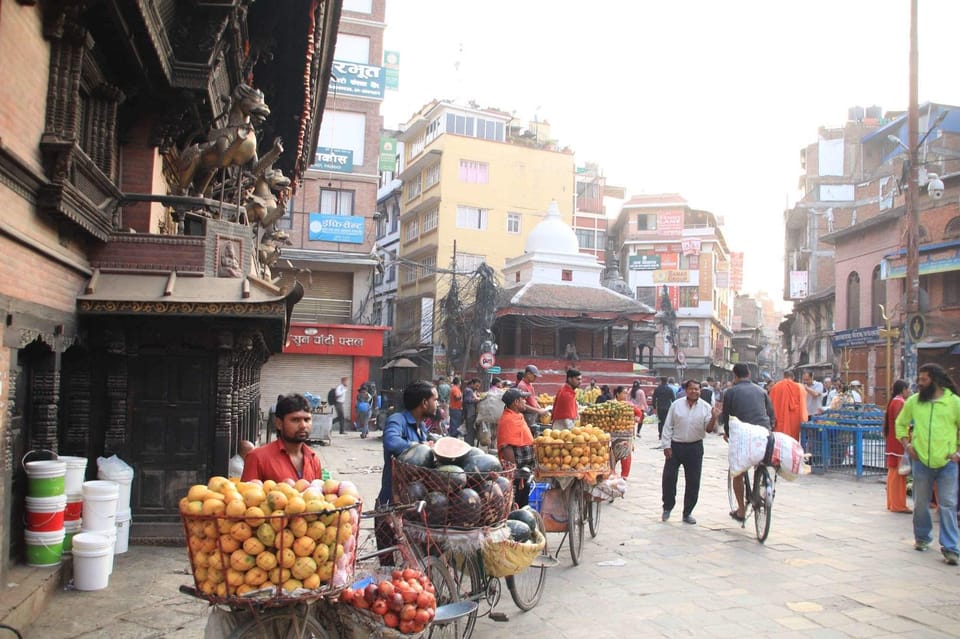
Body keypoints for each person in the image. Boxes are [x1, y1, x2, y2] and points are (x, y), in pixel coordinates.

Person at [894, 363, 960, 565]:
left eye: (924, 380)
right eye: (919, 380)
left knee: (947, 505)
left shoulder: (954, 403)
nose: (919, 384)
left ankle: (951, 548)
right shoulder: (914, 402)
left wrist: (957, 451)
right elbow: (900, 423)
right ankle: (922, 538)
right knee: (921, 503)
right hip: (921, 461)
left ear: (936, 381)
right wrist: (907, 445)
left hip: (947, 462)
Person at [720, 363, 775, 523]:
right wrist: (768, 429)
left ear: (734, 376)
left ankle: (741, 511)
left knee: (737, 472)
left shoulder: (730, 392)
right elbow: (771, 414)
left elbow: (727, 417)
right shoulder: (762, 391)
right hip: (764, 433)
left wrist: (728, 434)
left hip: (743, 435)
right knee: (760, 461)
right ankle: (761, 482)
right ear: (749, 374)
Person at [660, 380, 719, 525]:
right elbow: (668, 426)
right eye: (692, 389)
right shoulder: (676, 405)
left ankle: (687, 512)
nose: (695, 391)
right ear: (686, 390)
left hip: (695, 447)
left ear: (700, 391)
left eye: (697, 389)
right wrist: (666, 445)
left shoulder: (706, 407)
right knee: (669, 478)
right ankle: (667, 506)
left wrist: (714, 417)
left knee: (693, 481)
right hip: (675, 446)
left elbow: (709, 429)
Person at [376, 380, 437, 507]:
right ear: (424, 403)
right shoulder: (397, 419)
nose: (437, 404)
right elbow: (391, 442)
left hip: (415, 498)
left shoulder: (423, 426)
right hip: (393, 501)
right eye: (435, 400)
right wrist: (419, 445)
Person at [242, 394, 322, 482]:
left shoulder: (313, 459)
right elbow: (247, 493)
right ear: (279, 423)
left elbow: (318, 493)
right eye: (295, 420)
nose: (303, 425)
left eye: (307, 420)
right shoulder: (258, 458)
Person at [496, 388, 535, 508]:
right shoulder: (508, 420)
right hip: (517, 473)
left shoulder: (518, 416)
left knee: (523, 501)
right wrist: (515, 471)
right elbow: (506, 447)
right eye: (523, 399)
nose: (525, 402)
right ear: (515, 402)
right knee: (517, 504)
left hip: (525, 470)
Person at [884, 379, 912, 514]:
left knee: (893, 473)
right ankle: (898, 504)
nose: (909, 391)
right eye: (908, 389)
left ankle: (892, 502)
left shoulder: (894, 401)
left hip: (893, 442)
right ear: (903, 389)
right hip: (898, 442)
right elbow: (901, 423)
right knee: (899, 475)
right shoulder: (900, 402)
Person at [769, 370, 807, 440]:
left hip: (778, 419)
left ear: (783, 376)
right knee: (792, 441)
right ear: (793, 377)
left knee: (779, 441)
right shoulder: (799, 387)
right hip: (793, 421)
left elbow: (770, 405)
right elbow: (803, 405)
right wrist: (803, 419)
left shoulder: (775, 387)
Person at [613, 386, 641, 479]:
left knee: (626, 455)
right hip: (613, 433)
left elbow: (638, 412)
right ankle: (611, 472)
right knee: (612, 454)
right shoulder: (611, 404)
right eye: (624, 392)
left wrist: (636, 418)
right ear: (617, 394)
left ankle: (624, 475)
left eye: (626, 393)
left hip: (626, 434)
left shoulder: (629, 405)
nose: (626, 394)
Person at [652, 377, 676, 448]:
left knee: (660, 421)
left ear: (661, 381)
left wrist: (654, 407)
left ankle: (660, 435)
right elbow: (673, 399)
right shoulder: (669, 389)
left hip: (660, 407)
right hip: (668, 407)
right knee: (667, 421)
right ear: (667, 381)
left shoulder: (657, 389)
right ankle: (666, 434)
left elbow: (654, 398)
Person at [463, 378, 481, 445]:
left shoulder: (472, 391)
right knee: (470, 431)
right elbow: (467, 400)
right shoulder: (469, 390)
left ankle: (469, 444)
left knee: (471, 431)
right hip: (469, 414)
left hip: (470, 414)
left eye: (479, 386)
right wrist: (475, 400)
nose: (477, 387)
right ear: (472, 384)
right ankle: (469, 445)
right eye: (476, 386)